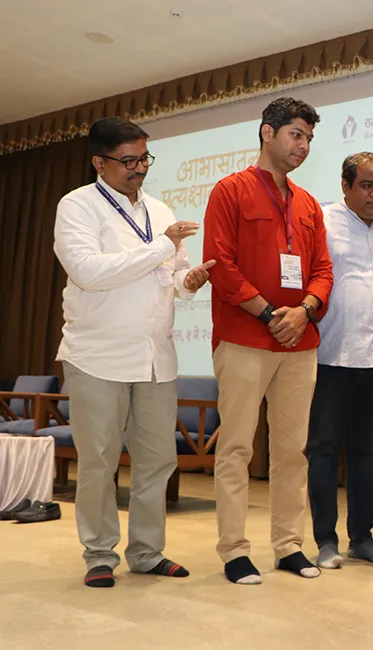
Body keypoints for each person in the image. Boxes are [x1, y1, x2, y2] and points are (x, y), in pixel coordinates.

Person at [53, 116, 214, 587]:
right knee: (99, 461)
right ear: (99, 162)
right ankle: (99, 554)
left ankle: (146, 552)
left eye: (144, 158)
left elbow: (173, 274)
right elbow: (89, 272)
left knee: (157, 460)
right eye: (128, 160)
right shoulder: (77, 206)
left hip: (155, 357)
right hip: (96, 356)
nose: (139, 168)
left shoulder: (160, 210)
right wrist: (161, 247)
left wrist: (189, 280)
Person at [203, 97, 334, 585]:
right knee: (236, 447)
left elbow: (323, 270)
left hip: (300, 341)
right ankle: (235, 551)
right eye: (296, 135)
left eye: (308, 139)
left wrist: (304, 311)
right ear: (267, 133)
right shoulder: (230, 190)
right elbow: (221, 264)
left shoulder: (309, 204)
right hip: (244, 337)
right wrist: (268, 313)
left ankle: (289, 545)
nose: (303, 146)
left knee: (292, 450)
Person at [307, 152, 373, 568]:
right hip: (330, 355)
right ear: (346, 186)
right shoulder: (321, 222)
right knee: (323, 449)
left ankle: (362, 538)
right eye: (366, 185)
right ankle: (325, 541)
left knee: (367, 452)